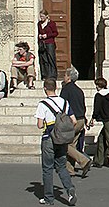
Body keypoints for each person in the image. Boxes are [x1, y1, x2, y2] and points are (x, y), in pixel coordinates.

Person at [36, 76, 77, 206]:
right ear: (56, 87)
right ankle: (70, 189)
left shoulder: (43, 104)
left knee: (47, 168)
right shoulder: (64, 102)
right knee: (61, 166)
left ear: (45, 89)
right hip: (62, 139)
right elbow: (74, 121)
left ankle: (49, 198)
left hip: (49, 138)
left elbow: (39, 124)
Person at [61, 66, 91, 177]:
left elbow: (62, 105)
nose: (63, 77)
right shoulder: (79, 90)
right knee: (72, 144)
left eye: (65, 75)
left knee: (64, 145)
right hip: (81, 119)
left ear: (69, 77)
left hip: (72, 120)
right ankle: (70, 170)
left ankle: (84, 160)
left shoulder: (66, 89)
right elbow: (83, 106)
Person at [37, 10, 59, 80]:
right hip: (42, 44)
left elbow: (55, 33)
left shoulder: (51, 23)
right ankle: (45, 75)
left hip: (50, 43)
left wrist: (47, 35)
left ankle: (53, 75)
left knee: (51, 58)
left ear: (46, 16)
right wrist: (39, 36)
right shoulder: (39, 24)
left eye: (43, 16)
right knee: (44, 59)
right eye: (40, 17)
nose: (41, 18)